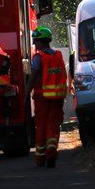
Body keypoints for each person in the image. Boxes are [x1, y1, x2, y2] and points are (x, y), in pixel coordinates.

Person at [27, 26, 67, 168]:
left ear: (41, 41)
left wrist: (27, 92)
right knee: (53, 125)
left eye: (36, 41)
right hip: (57, 97)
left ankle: (40, 158)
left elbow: (33, 77)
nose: (35, 44)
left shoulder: (39, 57)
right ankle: (51, 152)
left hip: (41, 97)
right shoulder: (58, 55)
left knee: (41, 126)